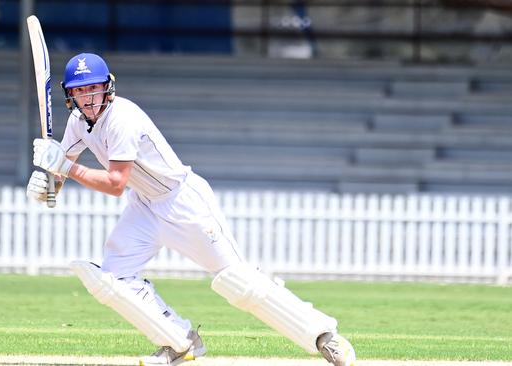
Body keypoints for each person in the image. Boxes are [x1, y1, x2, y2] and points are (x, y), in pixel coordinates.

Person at [26, 53, 356, 366]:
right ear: (71, 95)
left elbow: (114, 183)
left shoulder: (121, 118)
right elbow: (63, 166)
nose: (88, 97)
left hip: (182, 201)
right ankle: (180, 341)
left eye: (93, 88)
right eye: (80, 90)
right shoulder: (77, 122)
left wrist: (65, 170)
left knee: (238, 281)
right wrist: (50, 185)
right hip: (144, 205)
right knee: (113, 279)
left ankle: (323, 335)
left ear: (107, 86)